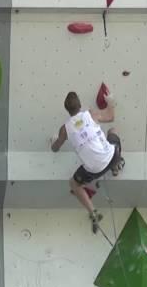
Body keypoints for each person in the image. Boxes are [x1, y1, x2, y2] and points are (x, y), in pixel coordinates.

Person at [51, 91, 123, 233]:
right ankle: (116, 166)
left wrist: (55, 140)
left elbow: (55, 148)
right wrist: (111, 102)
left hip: (94, 170)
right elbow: (111, 117)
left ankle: (93, 212)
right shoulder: (91, 114)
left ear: (67, 109)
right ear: (80, 105)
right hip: (111, 156)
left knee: (74, 183)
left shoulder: (64, 129)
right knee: (113, 131)